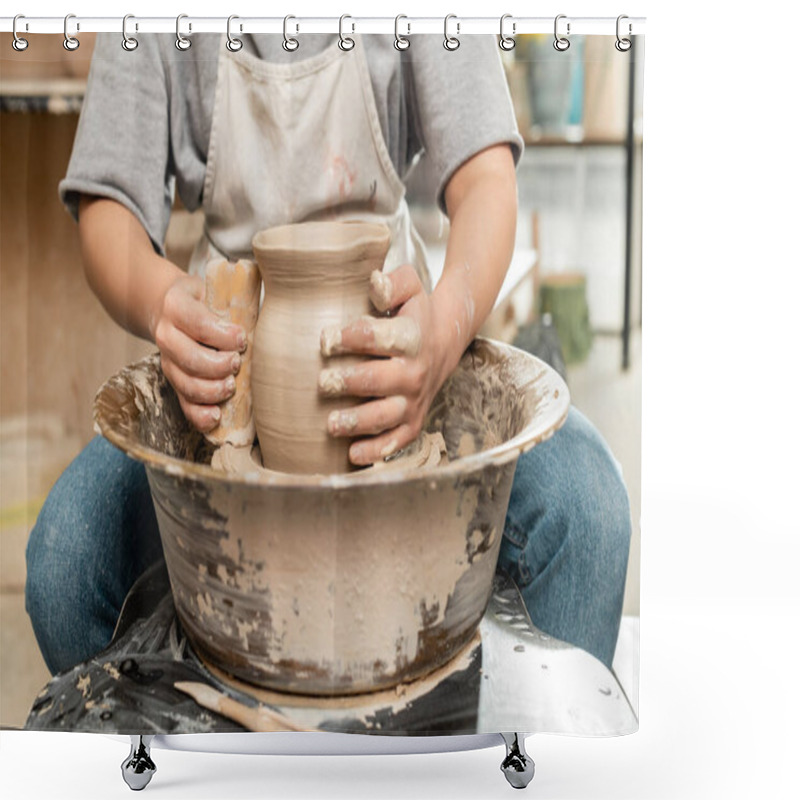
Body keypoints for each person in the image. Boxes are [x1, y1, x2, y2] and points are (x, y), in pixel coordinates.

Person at [25, 32, 631, 678]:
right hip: (228, 376)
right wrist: (161, 300)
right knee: (66, 565)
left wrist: (444, 329)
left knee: (587, 515)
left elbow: (487, 179)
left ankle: (483, 764)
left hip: (395, 352)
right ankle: (204, 748)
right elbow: (107, 208)